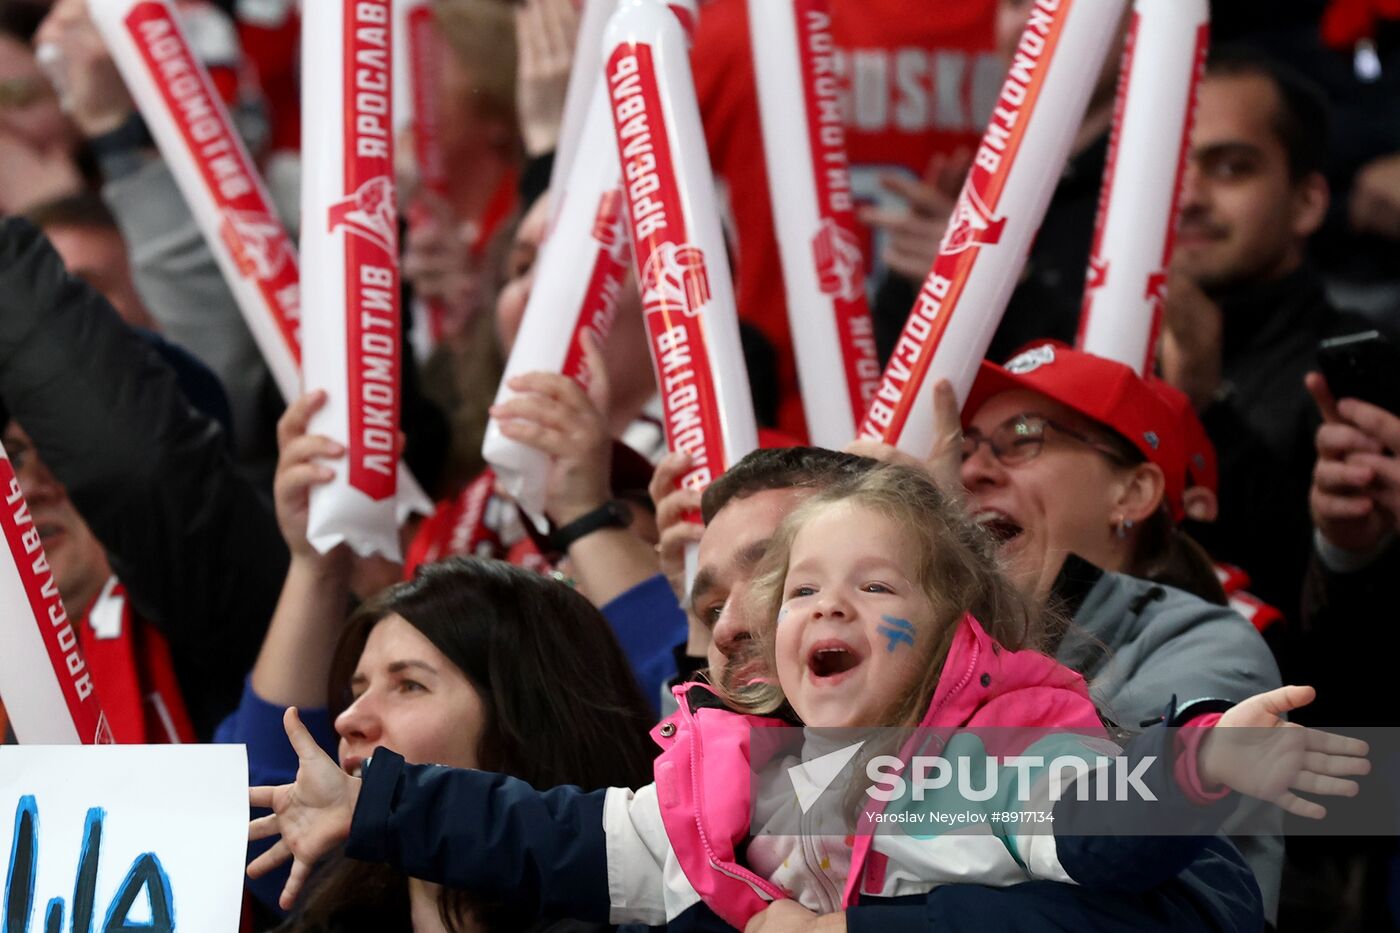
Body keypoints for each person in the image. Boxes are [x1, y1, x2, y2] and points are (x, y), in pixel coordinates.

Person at [245, 464, 1365, 930]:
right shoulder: (719, 781)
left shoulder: (984, 768)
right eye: (799, 593)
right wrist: (379, 807)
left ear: (948, 637)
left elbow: (1095, 826)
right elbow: (560, 834)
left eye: (872, 589)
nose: (820, 612)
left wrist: (1193, 769)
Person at [0, 219, 287, 740]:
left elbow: (142, 475)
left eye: (65, 459)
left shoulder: (232, 620)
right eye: (15, 455)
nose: (34, 484)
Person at [1158, 47, 1379, 621]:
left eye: (1230, 167)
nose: (1187, 197)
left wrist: (1203, 411)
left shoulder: (1357, 371)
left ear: (1307, 203)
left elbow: (1328, 624)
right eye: (1168, 165)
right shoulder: (1108, 333)